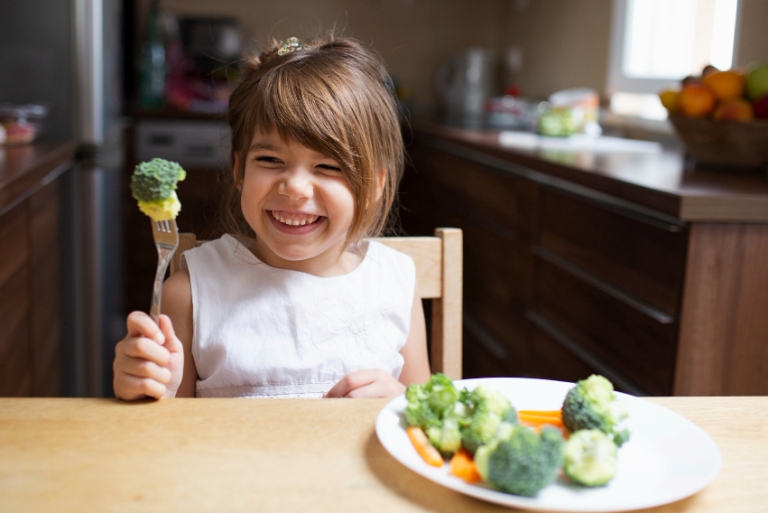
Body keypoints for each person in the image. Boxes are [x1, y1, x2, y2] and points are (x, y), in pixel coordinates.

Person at [113, 35, 431, 400]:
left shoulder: (395, 283)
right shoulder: (189, 294)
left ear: (375, 184)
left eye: (328, 166)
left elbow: (428, 418)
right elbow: (162, 424)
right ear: (239, 170)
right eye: (270, 160)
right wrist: (145, 387)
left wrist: (400, 400)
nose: (294, 188)